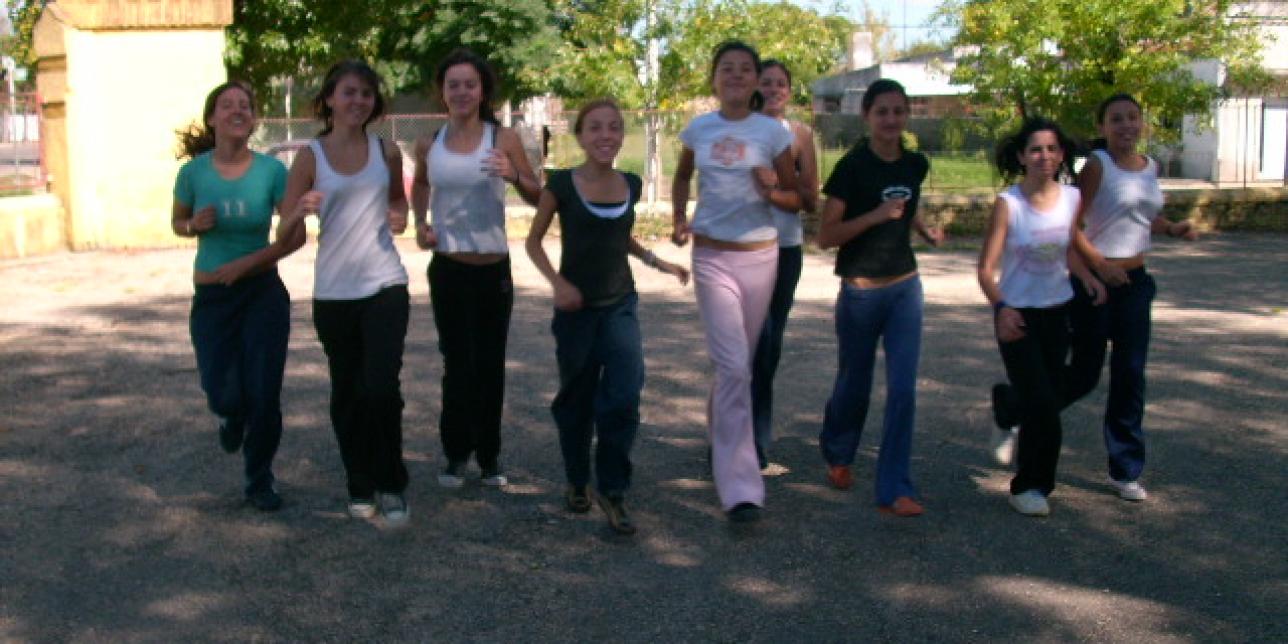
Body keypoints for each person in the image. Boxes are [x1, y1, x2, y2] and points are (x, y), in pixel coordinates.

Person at [990, 94, 1198, 502]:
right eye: (1116, 119)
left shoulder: (1150, 167)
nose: (1126, 126)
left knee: (1130, 374)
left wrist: (1171, 228)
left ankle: (1125, 468)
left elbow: (1139, 217)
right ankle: (1022, 406)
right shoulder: (1098, 167)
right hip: (1096, 285)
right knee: (1085, 374)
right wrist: (1098, 266)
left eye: (1133, 118)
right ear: (1103, 127)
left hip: (1136, 282)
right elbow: (1072, 225)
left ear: (1142, 123)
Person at [525, 99, 689, 535]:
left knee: (623, 396)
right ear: (579, 136)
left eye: (614, 128)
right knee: (576, 402)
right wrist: (558, 285)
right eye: (595, 128)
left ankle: (612, 490)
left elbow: (622, 238)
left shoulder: (631, 184)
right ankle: (578, 480)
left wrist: (661, 263)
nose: (605, 136)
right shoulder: (560, 184)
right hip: (576, 314)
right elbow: (533, 243)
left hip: (619, 305)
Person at [671, 40, 801, 523]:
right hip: (710, 257)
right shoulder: (699, 128)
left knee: (737, 365)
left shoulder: (772, 132)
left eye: (746, 70)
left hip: (760, 258)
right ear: (715, 77)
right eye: (727, 69)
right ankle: (741, 487)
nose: (737, 76)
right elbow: (682, 177)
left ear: (755, 80)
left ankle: (718, 433)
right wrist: (680, 215)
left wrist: (772, 189)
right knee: (734, 368)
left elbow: (796, 198)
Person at [279, 60, 412, 526]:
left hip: (384, 283)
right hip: (333, 291)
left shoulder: (387, 150)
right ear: (330, 99)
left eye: (366, 94)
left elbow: (398, 201)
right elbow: (285, 227)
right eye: (349, 93)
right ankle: (360, 481)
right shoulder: (309, 156)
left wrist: (400, 216)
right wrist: (300, 208)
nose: (358, 101)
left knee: (380, 387)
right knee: (348, 392)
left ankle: (392, 482)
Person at [172, 81, 312, 512]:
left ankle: (259, 480)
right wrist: (193, 225)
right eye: (227, 105)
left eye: (245, 106)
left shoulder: (272, 172)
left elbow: (294, 237)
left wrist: (252, 260)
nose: (237, 111)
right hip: (213, 296)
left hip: (261, 293)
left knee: (264, 392)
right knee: (223, 391)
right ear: (212, 118)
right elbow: (177, 223)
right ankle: (232, 415)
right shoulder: (193, 173)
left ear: (253, 119)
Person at [411, 48, 541, 489]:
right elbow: (423, 185)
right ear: (442, 92)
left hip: (492, 270)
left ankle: (489, 457)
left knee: (489, 365)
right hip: (448, 269)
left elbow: (538, 196)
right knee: (457, 364)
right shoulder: (429, 142)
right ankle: (455, 454)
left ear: (482, 90)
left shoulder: (502, 139)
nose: (462, 92)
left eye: (470, 84)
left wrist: (514, 175)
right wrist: (420, 224)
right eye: (453, 85)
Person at [814, 79, 943, 518]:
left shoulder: (916, 164)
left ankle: (894, 488)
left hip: (905, 287)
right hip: (861, 292)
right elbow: (825, 236)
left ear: (907, 116)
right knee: (855, 382)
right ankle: (838, 451)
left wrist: (924, 229)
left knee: (904, 389)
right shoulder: (851, 168)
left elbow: (908, 207)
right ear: (867, 116)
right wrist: (874, 216)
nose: (891, 120)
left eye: (899, 111)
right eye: (882, 111)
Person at [977, 117, 1105, 517]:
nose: (1044, 156)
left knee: (1043, 399)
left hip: (1057, 312)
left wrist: (1088, 277)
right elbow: (986, 268)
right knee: (1045, 406)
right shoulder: (1008, 204)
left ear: (1062, 154)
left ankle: (1008, 405)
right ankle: (1029, 486)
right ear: (1021, 156)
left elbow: (1066, 247)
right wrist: (1001, 308)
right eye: (1035, 149)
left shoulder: (1070, 198)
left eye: (1052, 149)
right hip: (1018, 317)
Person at [749, 60, 819, 474]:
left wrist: (776, 187)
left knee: (769, 348)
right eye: (767, 82)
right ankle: (744, 440)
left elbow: (810, 199)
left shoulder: (801, 135)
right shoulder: (740, 130)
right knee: (751, 344)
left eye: (781, 83)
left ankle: (749, 435)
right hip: (744, 248)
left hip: (786, 247)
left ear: (790, 91)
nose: (774, 88)